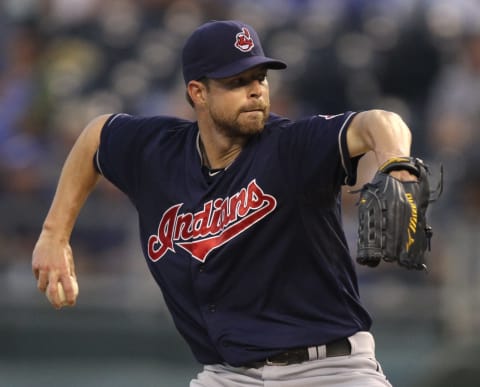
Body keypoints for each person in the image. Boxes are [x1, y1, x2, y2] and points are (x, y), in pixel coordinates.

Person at [32, 20, 419, 386]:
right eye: (237, 81)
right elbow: (95, 137)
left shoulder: (293, 146)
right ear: (198, 92)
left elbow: (379, 122)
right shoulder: (159, 151)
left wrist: (398, 166)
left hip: (331, 369)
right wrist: (54, 234)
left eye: (260, 78)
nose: (256, 91)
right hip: (228, 374)